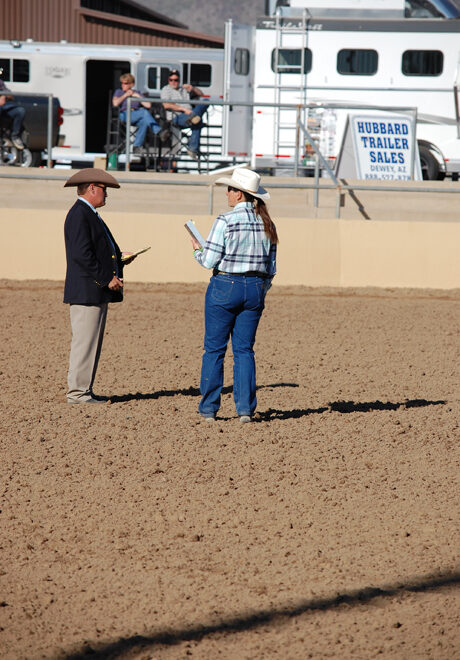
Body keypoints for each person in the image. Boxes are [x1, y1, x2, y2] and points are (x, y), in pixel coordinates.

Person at [190, 168, 278, 422]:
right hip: (255, 288)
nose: (227, 193)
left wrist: (197, 250)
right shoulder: (267, 223)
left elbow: (209, 260)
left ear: (239, 194)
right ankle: (245, 409)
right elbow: (271, 267)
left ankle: (209, 408)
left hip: (225, 285)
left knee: (214, 349)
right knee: (244, 351)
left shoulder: (226, 220)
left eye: (230, 189)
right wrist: (261, 288)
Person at [63, 168, 137, 404]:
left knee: (90, 342)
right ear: (92, 188)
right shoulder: (80, 215)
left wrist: (118, 258)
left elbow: (93, 251)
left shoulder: (87, 214)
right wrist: (106, 278)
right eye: (104, 189)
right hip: (87, 291)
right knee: (85, 343)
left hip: (92, 291)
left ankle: (84, 391)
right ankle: (78, 393)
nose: (107, 195)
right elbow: (82, 255)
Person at [112, 73, 169, 152]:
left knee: (144, 122)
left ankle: (136, 146)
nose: (123, 85)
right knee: (144, 112)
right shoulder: (119, 92)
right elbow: (115, 103)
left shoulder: (137, 92)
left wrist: (138, 96)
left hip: (136, 114)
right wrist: (125, 95)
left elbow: (148, 105)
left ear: (131, 84)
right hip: (124, 114)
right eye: (122, 83)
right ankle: (159, 131)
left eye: (125, 83)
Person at [160, 69, 208, 160]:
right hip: (177, 117)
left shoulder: (184, 89)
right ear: (168, 80)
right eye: (171, 80)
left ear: (179, 80)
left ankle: (194, 117)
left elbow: (201, 94)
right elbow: (166, 105)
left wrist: (192, 88)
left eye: (176, 80)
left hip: (190, 114)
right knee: (198, 122)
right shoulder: (166, 90)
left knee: (205, 101)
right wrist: (183, 109)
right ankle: (193, 149)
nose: (173, 82)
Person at [0, 73, 26, 150]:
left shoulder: (0, 82)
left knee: (20, 111)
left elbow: (10, 95)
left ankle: (14, 136)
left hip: (3, 109)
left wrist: (4, 95)